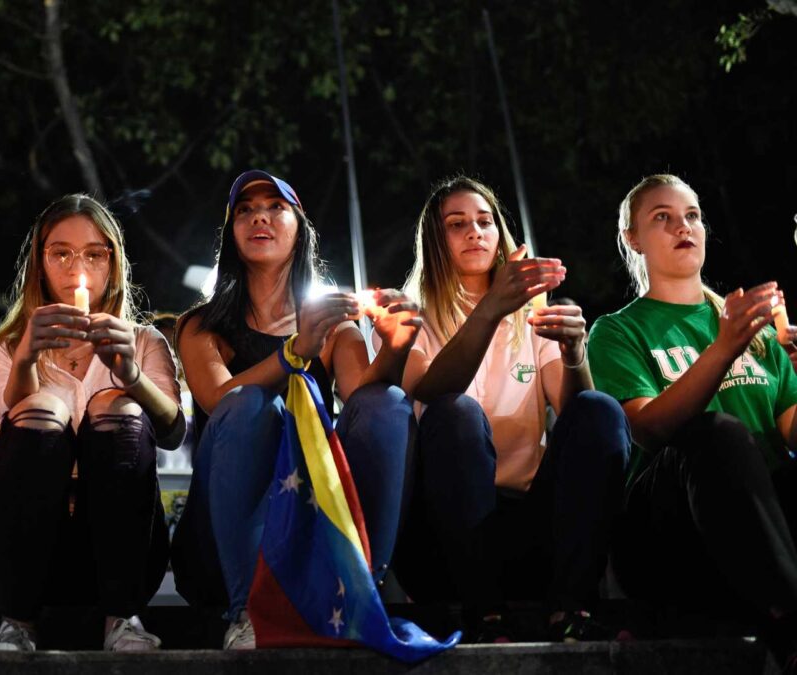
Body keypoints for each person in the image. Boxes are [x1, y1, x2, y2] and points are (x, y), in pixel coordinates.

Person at [170, 170, 421, 650]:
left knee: (387, 404)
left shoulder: (333, 325)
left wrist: (395, 347)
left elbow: (363, 398)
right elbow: (217, 398)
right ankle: (245, 612)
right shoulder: (202, 325)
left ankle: (363, 595)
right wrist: (293, 352)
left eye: (275, 207)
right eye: (244, 209)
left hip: (310, 524)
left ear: (300, 227)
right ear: (230, 233)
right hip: (223, 544)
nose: (259, 216)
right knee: (247, 405)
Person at [393, 176, 630, 642]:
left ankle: (572, 609)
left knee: (601, 408)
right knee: (456, 412)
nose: (475, 232)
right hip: (445, 538)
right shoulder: (410, 313)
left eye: (485, 222)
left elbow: (577, 411)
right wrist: (491, 309)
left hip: (528, 528)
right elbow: (432, 390)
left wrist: (574, 351)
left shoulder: (529, 311)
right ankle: (484, 616)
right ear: (434, 241)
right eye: (457, 224)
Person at [588, 174, 797, 662]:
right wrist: (723, 349)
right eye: (662, 217)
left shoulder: (756, 330)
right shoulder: (617, 332)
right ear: (632, 239)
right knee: (716, 433)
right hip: (669, 534)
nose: (683, 226)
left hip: (765, 524)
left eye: (692, 216)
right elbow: (650, 428)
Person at [0, 194, 184, 652]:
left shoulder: (142, 341)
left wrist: (132, 377)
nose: (76, 267)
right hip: (21, 550)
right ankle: (15, 622)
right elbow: (16, 442)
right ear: (39, 262)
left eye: (93, 254)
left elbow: (172, 431)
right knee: (44, 407)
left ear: (113, 262)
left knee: (117, 405)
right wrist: (26, 356)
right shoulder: (2, 351)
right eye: (61, 253)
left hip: (119, 549)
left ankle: (122, 618)